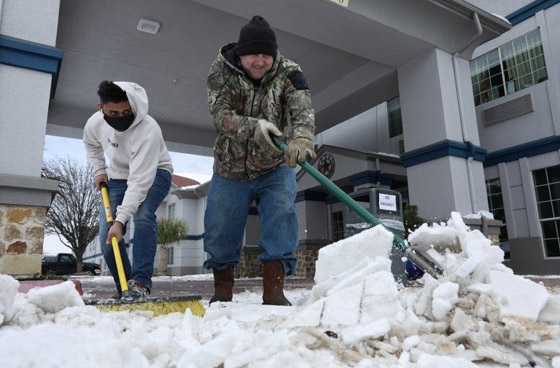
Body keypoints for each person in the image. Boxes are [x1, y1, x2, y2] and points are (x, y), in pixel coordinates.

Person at [204, 15, 316, 305]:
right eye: (253, 54)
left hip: (275, 166)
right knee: (221, 226)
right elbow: (220, 115)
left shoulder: (290, 72)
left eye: (266, 54)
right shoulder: (221, 71)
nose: (260, 61)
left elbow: (302, 110)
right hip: (230, 167)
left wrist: (302, 137)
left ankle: (274, 290)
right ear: (240, 54)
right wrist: (254, 127)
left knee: (282, 217)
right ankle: (222, 290)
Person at [83, 81, 173, 299]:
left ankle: (140, 282)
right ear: (100, 108)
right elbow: (91, 144)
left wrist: (121, 220)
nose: (121, 116)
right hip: (116, 177)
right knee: (107, 235)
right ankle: (124, 285)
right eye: (113, 112)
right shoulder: (95, 123)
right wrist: (99, 170)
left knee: (142, 216)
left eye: (126, 111)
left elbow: (140, 181)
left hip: (155, 173)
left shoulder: (148, 129)